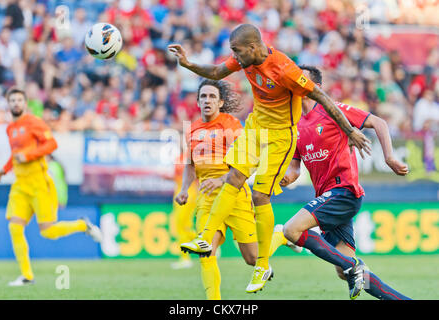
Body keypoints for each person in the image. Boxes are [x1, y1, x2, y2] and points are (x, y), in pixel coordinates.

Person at [168, 23, 371, 293]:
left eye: (238, 52)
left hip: (279, 138)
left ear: (253, 47)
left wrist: (350, 131)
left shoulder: (285, 69)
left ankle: (263, 264)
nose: (235, 57)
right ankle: (205, 238)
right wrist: (188, 64)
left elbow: (321, 95)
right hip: (255, 128)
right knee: (234, 176)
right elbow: (217, 71)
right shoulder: (245, 59)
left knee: (260, 197)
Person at [270, 65, 411, 300]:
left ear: (313, 87)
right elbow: (294, 171)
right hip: (326, 199)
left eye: (299, 81)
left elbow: (379, 123)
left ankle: (351, 266)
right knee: (344, 270)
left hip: (344, 190)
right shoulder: (295, 126)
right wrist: (280, 179)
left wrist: (389, 157)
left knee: (291, 230)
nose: (294, 85)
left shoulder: (331, 110)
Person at [0, 87, 102, 287]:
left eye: (19, 100)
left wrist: (28, 156)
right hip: (20, 186)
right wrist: (4, 169)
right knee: (14, 227)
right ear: (8, 104)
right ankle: (27, 276)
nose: (16, 103)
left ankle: (82, 225)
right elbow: (16, 154)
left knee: (48, 231)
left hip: (39, 183)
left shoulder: (34, 123)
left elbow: (51, 145)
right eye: (13, 100)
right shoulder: (10, 129)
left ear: (25, 103)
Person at [175, 79, 258, 300]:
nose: (207, 100)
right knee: (206, 253)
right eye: (203, 96)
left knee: (252, 258)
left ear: (220, 102)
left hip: (235, 195)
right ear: (198, 101)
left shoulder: (231, 125)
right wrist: (184, 189)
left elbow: (243, 163)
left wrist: (221, 180)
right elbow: (190, 165)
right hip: (207, 198)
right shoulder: (192, 130)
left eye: (212, 96)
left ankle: (280, 235)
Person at [170, 152, 198, 270]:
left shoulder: (192, 157)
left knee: (182, 227)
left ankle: (185, 258)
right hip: (179, 192)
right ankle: (208, 243)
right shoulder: (179, 157)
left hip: (188, 194)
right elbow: (177, 177)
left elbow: (195, 176)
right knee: (183, 226)